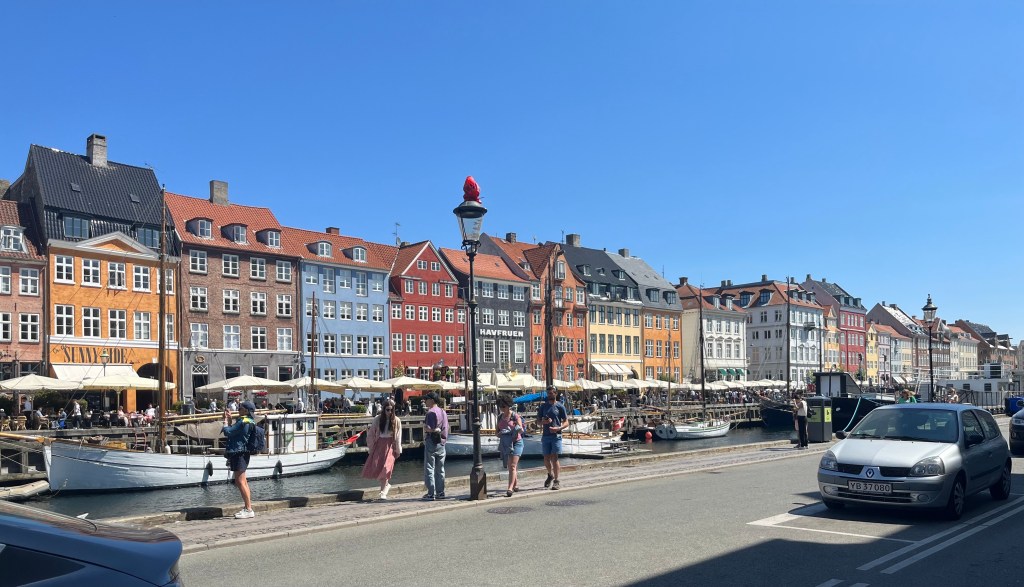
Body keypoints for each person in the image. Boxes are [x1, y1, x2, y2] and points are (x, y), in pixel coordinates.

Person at [222, 400, 258, 519]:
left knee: (240, 481)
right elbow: (236, 432)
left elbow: (228, 432)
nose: (238, 410)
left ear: (246, 411)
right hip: (244, 453)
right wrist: (230, 420)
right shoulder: (249, 421)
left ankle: (248, 509)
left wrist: (225, 421)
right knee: (243, 481)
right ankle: (248, 508)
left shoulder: (243, 421)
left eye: (240, 408)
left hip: (239, 453)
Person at [361, 399, 402, 499]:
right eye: (387, 410)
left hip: (390, 445)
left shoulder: (396, 420)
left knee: (386, 468)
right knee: (377, 466)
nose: (389, 412)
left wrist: (398, 450)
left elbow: (398, 436)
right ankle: (385, 486)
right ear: (383, 409)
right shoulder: (378, 419)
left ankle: (383, 492)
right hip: (379, 445)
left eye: (391, 410)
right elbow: (371, 434)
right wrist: (371, 447)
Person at [536, 387, 569, 490]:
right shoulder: (543, 407)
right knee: (546, 458)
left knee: (555, 458)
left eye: (551, 393)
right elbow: (538, 422)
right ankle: (550, 475)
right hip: (546, 435)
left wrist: (559, 428)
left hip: (556, 436)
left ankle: (556, 480)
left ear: (555, 394)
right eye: (548, 393)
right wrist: (543, 422)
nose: (549, 395)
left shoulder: (560, 406)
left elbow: (566, 422)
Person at [496, 394, 525, 497]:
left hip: (517, 442)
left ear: (508, 405)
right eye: (500, 406)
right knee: (511, 466)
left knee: (512, 466)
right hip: (506, 444)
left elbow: (521, 430)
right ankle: (515, 485)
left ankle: (510, 488)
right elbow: (496, 432)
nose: (502, 408)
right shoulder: (500, 417)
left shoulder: (515, 416)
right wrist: (501, 434)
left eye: (503, 406)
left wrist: (517, 429)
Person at [422, 392, 448, 500]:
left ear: (432, 400)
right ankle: (440, 492)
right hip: (441, 442)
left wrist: (425, 428)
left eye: (427, 399)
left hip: (431, 442)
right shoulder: (443, 411)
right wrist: (443, 440)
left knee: (429, 468)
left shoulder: (430, 412)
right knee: (440, 469)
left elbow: (430, 428)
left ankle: (431, 493)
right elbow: (446, 427)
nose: (425, 401)